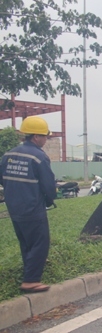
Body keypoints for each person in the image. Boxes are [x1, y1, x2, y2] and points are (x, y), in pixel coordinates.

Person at [0, 116, 57, 293]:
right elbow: (48, 184)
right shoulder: (39, 157)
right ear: (35, 137)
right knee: (40, 242)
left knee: (26, 242)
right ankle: (31, 280)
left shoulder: (8, 155)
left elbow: (3, 178)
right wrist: (50, 199)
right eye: (45, 136)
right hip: (32, 207)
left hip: (14, 207)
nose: (46, 140)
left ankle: (29, 271)